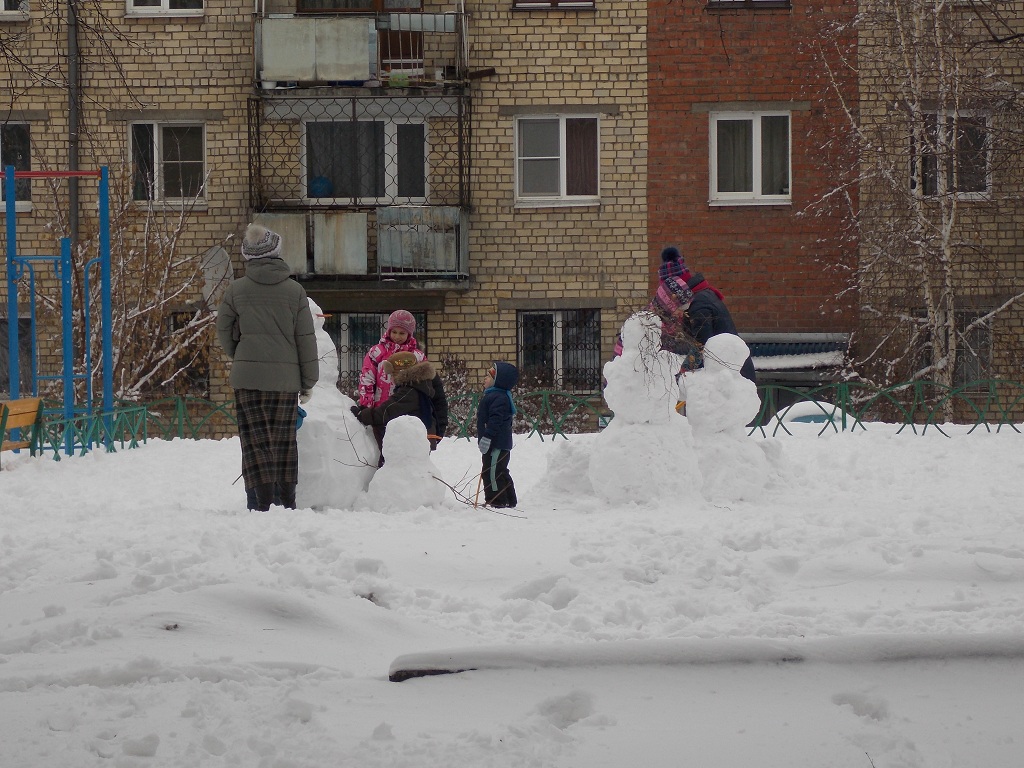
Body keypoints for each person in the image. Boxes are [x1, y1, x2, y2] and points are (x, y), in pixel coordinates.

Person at [216, 223, 319, 511]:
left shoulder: (236, 290)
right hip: (285, 381)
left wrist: (242, 355)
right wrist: (308, 381)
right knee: (284, 443)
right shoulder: (295, 291)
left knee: (254, 442)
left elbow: (223, 330)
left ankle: (259, 505)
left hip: (247, 380)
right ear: (277, 253)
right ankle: (285, 504)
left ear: (248, 257)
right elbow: (305, 339)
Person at [352, 352, 438, 464]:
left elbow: (387, 411)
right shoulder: (418, 387)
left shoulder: (408, 392)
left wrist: (362, 415)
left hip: (411, 443)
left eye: (392, 375)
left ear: (401, 374)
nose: (391, 379)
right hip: (418, 440)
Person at [683, 269, 757, 383]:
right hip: (735, 368)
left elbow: (702, 345)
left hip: (729, 376)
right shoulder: (704, 295)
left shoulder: (698, 305)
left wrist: (685, 369)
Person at [477, 361, 519, 509]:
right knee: (498, 470)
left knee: (492, 472)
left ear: (498, 381)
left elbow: (495, 420)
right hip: (495, 443)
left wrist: (487, 437)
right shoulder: (494, 395)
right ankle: (509, 499)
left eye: (489, 376)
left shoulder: (498, 397)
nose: (484, 379)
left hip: (496, 443)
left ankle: (497, 500)